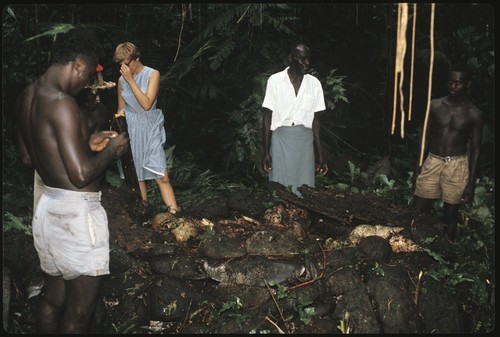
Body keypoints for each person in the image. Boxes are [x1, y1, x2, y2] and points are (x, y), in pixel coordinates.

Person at [15, 27, 130, 333]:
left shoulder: (28, 95)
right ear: (79, 64)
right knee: (79, 313)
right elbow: (80, 175)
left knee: (52, 300)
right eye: (88, 73)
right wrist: (113, 150)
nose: (86, 82)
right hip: (76, 216)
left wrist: (88, 142)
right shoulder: (63, 103)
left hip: (48, 210)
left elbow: (30, 158)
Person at [413, 63, 483, 242]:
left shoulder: (473, 113)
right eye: (450, 82)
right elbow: (425, 137)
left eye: (458, 83)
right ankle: (415, 247)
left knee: (451, 212)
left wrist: (471, 184)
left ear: (468, 84)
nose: (453, 86)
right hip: (433, 161)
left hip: (457, 165)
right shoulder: (435, 105)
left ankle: (447, 254)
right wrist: (419, 165)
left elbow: (475, 150)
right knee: (419, 208)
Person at [113, 42, 178, 213]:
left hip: (149, 127)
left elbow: (147, 104)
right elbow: (120, 110)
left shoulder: (152, 74)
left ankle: (175, 214)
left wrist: (130, 80)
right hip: (131, 128)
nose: (123, 68)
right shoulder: (121, 80)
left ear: (136, 58)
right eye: (120, 64)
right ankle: (145, 216)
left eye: (126, 63)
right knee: (137, 177)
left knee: (162, 176)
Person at [261, 43, 329, 197]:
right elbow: (267, 117)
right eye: (302, 59)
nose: (307, 63)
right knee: (280, 186)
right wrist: (266, 151)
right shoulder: (275, 81)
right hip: (280, 138)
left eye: (308, 60)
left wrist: (320, 154)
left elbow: (316, 122)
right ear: (290, 59)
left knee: (304, 187)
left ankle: (300, 218)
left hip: (304, 140)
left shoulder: (314, 84)